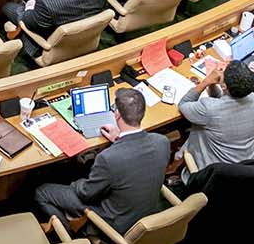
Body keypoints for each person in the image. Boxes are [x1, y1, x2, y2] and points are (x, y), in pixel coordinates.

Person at [32, 88, 169, 235]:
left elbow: (86, 193)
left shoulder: (108, 158)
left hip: (114, 224)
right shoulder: (162, 141)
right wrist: (119, 139)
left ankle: (69, 232)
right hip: (146, 211)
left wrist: (75, 183)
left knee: (42, 192)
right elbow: (136, 159)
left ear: (117, 114)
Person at [179, 59, 254, 174]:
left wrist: (206, 82)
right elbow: (223, 100)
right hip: (249, 165)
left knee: (197, 128)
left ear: (224, 86)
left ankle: (177, 160)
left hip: (218, 172)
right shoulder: (252, 98)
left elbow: (183, 105)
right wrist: (213, 85)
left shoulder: (209, 109)